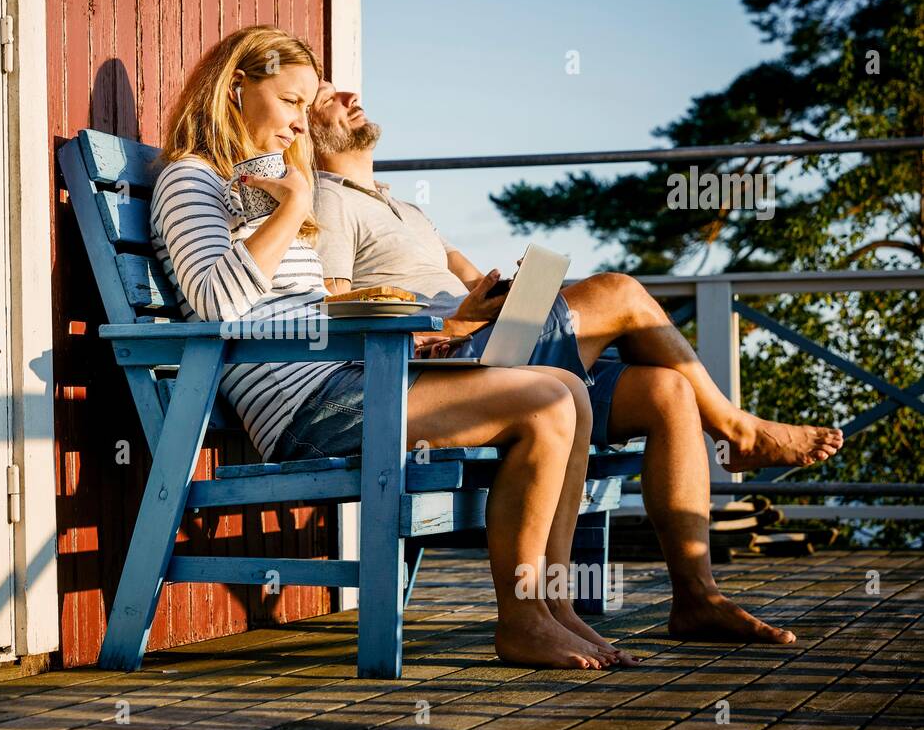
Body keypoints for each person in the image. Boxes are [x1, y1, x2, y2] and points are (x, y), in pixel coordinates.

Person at [308, 81, 846, 650]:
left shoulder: (409, 210)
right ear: (308, 130)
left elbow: (474, 286)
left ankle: (697, 598)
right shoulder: (329, 200)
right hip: (446, 370)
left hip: (491, 345)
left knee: (668, 392)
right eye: (323, 98)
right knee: (618, 291)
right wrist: (449, 328)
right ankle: (737, 430)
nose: (347, 95)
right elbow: (338, 311)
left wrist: (515, 295)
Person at [152, 25, 623, 669]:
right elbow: (215, 302)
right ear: (236, 88)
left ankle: (553, 607)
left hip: (348, 375)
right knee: (543, 402)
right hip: (305, 408)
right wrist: (293, 206)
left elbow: (307, 310)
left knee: (568, 389)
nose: (300, 123)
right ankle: (521, 620)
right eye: (290, 102)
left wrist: (437, 332)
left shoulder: (264, 183)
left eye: (305, 105)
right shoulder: (190, 179)